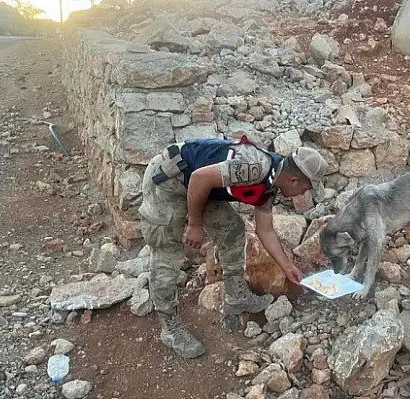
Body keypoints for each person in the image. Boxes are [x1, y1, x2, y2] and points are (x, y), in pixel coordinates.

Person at [138, 134, 328, 359]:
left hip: (199, 186)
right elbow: (199, 178)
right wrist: (195, 224)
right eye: (306, 189)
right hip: (171, 179)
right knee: (167, 253)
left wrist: (287, 268)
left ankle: (236, 297)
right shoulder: (256, 168)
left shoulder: (272, 182)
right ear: (294, 180)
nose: (304, 194)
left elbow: (265, 230)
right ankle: (170, 328)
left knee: (232, 230)